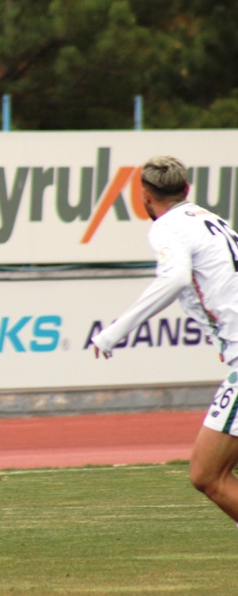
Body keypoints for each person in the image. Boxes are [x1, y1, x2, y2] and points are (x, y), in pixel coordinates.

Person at [91, 156, 238, 530]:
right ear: (186, 190)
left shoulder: (168, 228)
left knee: (207, 475)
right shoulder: (212, 220)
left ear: (144, 196)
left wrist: (114, 332)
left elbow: (174, 280)